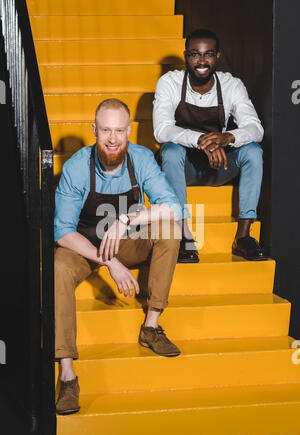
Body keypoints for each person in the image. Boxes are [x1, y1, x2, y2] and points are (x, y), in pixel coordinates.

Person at [54, 99, 182, 415]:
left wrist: (125, 221)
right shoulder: (75, 168)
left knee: (171, 229)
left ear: (128, 131)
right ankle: (68, 373)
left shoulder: (141, 158)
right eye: (106, 130)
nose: (113, 139)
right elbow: (62, 231)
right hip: (84, 246)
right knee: (58, 265)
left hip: (125, 241)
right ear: (94, 130)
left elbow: (173, 206)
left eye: (120, 131)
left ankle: (151, 326)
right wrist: (109, 262)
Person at [153, 28, 267, 263]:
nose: (202, 61)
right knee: (171, 151)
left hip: (219, 166)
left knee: (253, 151)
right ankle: (183, 235)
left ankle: (244, 237)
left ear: (218, 56)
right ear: (186, 56)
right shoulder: (170, 82)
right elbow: (161, 130)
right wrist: (200, 141)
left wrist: (227, 138)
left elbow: (256, 128)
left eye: (208, 54)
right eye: (195, 54)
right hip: (183, 169)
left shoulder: (231, 85)